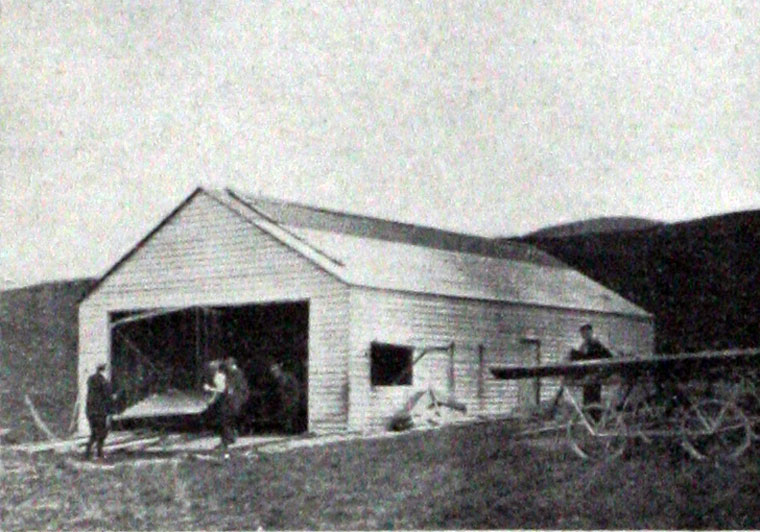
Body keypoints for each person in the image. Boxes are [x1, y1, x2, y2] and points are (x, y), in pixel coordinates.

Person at [569, 323, 613, 405]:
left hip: (595, 374)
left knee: (594, 396)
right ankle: (589, 408)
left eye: (587, 332)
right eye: (583, 333)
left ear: (591, 332)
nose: (585, 335)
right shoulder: (583, 346)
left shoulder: (597, 344)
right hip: (587, 374)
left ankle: (594, 409)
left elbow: (608, 356)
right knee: (587, 396)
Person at [84, 363, 114, 460]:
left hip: (90, 410)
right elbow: (107, 396)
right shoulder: (103, 382)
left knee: (94, 433)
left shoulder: (91, 381)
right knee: (102, 432)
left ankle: (88, 452)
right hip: (100, 411)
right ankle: (99, 453)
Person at [204, 361, 235, 451]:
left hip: (223, 401)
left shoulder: (218, 377)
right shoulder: (222, 376)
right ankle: (229, 437)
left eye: (211, 369)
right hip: (227, 400)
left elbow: (219, 391)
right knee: (224, 420)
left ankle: (225, 441)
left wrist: (212, 400)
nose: (209, 370)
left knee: (222, 421)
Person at [269, 362, 301, 434]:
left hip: (290, 400)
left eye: (274, 371)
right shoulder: (282, 378)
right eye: (272, 372)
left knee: (288, 415)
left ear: (278, 370)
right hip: (289, 399)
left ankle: (289, 430)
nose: (273, 374)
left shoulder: (284, 378)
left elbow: (286, 389)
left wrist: (287, 397)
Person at [225, 357, 250, 436]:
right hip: (235, 396)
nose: (227, 366)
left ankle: (238, 430)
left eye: (228, 364)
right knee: (234, 413)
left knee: (236, 413)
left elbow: (238, 385)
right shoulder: (232, 373)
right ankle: (236, 430)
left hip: (238, 396)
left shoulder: (236, 373)